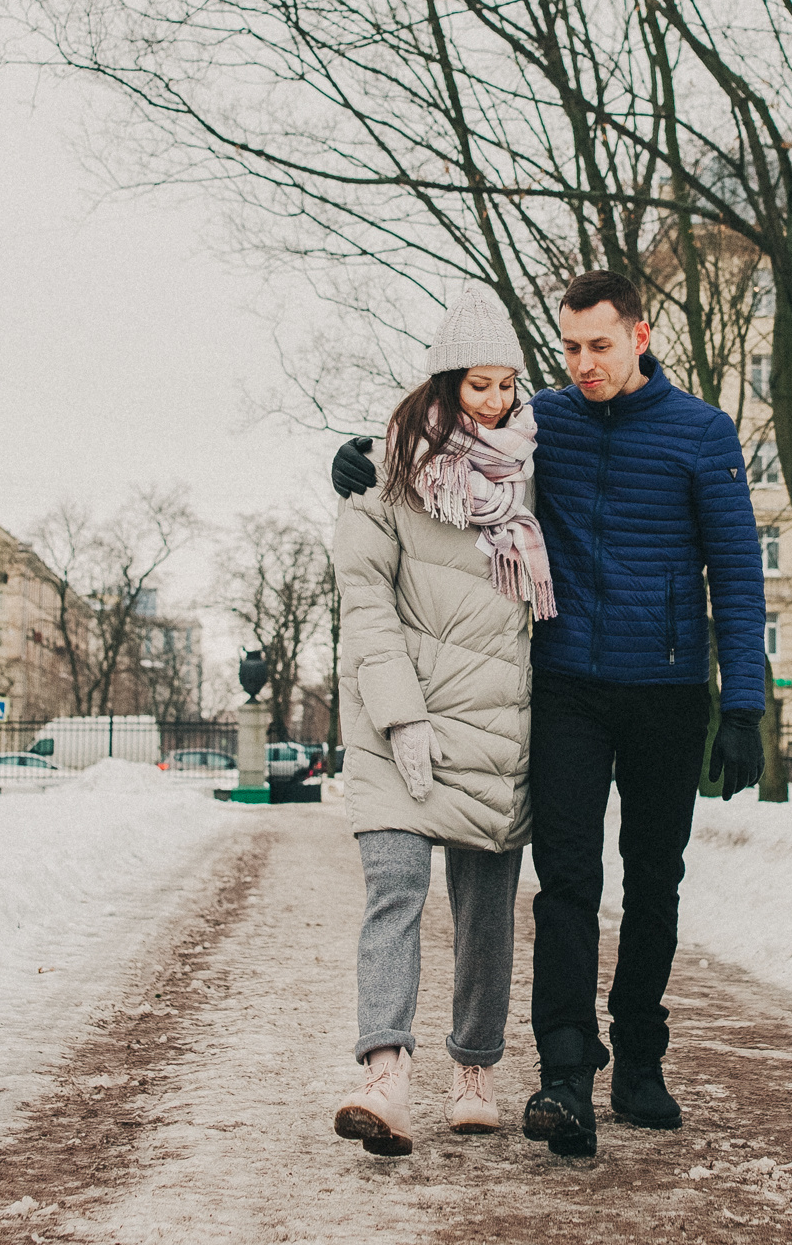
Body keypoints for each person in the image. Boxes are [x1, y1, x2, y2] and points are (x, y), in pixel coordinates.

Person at [335, 269, 766, 1158]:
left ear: (640, 336)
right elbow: (446, 445)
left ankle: (641, 1059)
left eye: (600, 346)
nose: (583, 365)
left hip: (668, 690)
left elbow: (739, 573)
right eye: (569, 349)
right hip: (568, 684)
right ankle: (566, 1074)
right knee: (567, 882)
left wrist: (745, 704)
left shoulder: (702, 432)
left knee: (654, 879)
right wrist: (351, 457)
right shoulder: (545, 427)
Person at [330, 286, 550, 1157]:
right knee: (394, 891)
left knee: (486, 912)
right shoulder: (383, 477)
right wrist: (401, 717)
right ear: (442, 383)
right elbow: (365, 606)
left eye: (507, 384)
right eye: (477, 385)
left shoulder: (539, 468)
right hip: (397, 728)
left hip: (495, 722)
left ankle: (475, 1070)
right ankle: (384, 1076)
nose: (495, 401)